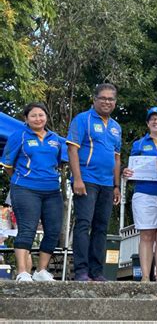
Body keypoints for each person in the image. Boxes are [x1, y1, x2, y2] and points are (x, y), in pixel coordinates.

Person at [0, 102, 64, 281]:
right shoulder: (18, 136)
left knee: (52, 230)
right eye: (33, 115)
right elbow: (7, 165)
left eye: (41, 115)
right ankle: (22, 272)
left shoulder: (55, 139)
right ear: (26, 119)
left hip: (52, 190)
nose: (38, 118)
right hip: (25, 189)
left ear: (46, 117)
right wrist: (21, 179)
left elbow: (58, 162)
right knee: (27, 229)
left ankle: (41, 271)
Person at [67, 83, 122, 281]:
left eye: (111, 99)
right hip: (87, 180)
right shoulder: (83, 119)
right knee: (83, 223)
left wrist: (116, 186)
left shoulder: (116, 127)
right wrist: (78, 179)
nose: (107, 102)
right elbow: (72, 149)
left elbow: (116, 158)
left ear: (115, 102)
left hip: (107, 184)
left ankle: (96, 271)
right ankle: (81, 270)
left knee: (101, 227)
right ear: (94, 99)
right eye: (103, 98)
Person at [123, 107, 157, 282]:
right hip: (144, 192)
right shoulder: (139, 144)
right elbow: (132, 167)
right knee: (147, 234)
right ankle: (144, 276)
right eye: (152, 119)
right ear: (147, 123)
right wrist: (127, 172)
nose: (156, 121)